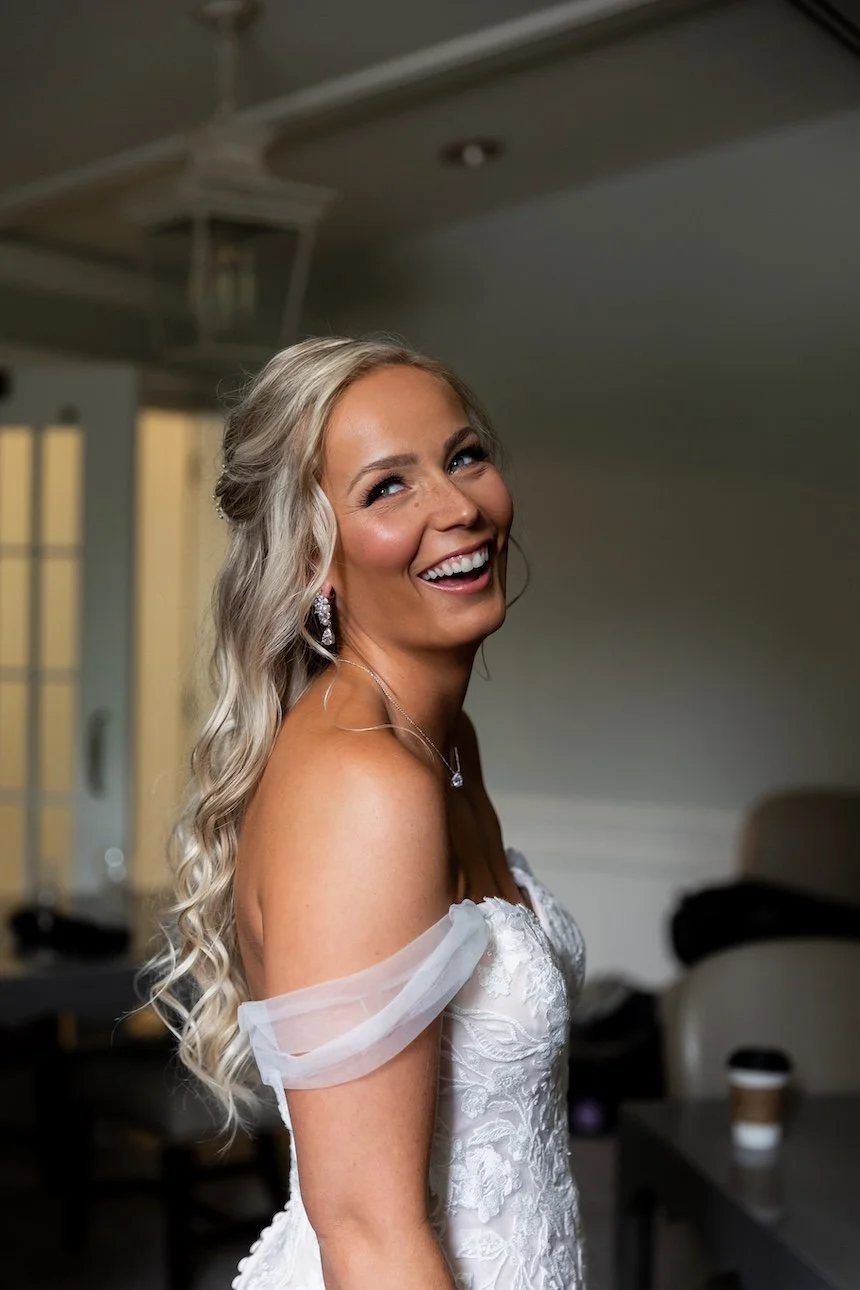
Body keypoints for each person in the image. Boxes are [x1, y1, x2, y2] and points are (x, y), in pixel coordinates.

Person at [150, 337, 587, 1289]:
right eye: (388, 487)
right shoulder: (364, 786)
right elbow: (369, 1237)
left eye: (463, 456)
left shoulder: (443, 745)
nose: (459, 506)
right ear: (314, 558)